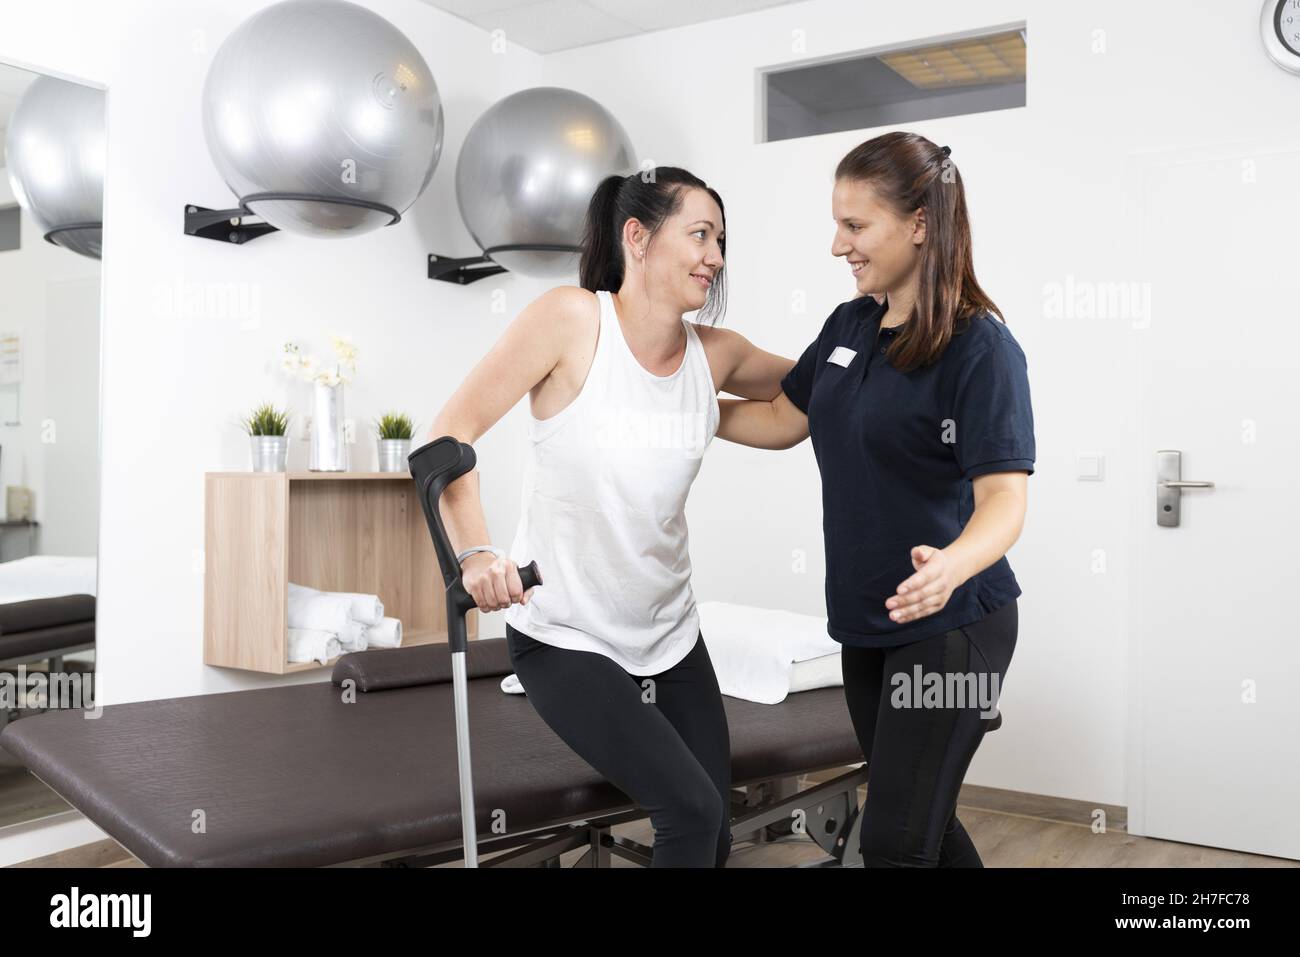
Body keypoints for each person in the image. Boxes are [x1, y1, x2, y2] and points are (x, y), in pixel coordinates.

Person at [428, 167, 791, 867]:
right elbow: (449, 438)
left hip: (672, 635)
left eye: (721, 240)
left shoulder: (715, 356)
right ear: (638, 237)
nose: (716, 257)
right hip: (567, 635)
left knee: (710, 832)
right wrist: (475, 554)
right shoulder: (572, 320)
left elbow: (807, 400)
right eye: (700, 233)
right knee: (689, 808)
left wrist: (888, 329)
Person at [717, 132, 1036, 867]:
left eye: (855, 226)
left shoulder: (979, 348)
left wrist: (952, 563)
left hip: (955, 624)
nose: (838, 245)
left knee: (892, 838)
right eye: (838, 225)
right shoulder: (849, 326)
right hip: (866, 622)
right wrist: (685, 412)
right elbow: (780, 418)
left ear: (919, 223)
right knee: (922, 819)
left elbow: (1004, 503)